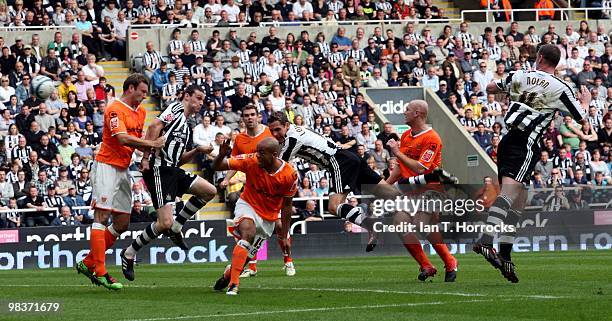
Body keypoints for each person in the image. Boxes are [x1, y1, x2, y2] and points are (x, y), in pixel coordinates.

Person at [474, 44, 591, 283]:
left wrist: (515, 93)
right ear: (556, 63)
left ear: (539, 58)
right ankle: (485, 241)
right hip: (526, 141)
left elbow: (489, 87)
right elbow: (582, 118)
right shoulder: (561, 87)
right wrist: (587, 101)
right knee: (509, 195)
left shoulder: (520, 75)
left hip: (507, 140)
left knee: (519, 201)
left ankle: (505, 255)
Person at [267, 112, 456, 251]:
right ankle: (429, 188)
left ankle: (370, 224)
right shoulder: (294, 132)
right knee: (389, 192)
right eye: (272, 131)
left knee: (334, 207)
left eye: (278, 129)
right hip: (350, 158)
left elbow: (277, 164)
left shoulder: (291, 138)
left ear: (287, 125)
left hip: (338, 161)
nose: (275, 134)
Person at [75, 74, 165, 291]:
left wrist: (149, 151)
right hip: (106, 166)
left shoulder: (141, 112)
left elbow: (136, 143)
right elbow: (122, 138)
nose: (145, 96)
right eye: (142, 91)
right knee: (102, 216)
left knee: (122, 223)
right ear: (131, 88)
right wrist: (151, 143)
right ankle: (101, 272)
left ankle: (88, 262)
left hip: (124, 168)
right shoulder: (114, 108)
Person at [121, 85, 217, 281]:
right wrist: (146, 158)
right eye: (197, 98)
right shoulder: (175, 109)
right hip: (158, 169)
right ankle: (129, 252)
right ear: (187, 95)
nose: (200, 103)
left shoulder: (187, 126)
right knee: (164, 223)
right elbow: (154, 127)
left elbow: (179, 160)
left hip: (173, 170)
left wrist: (197, 150)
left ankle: (177, 227)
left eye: (202, 100)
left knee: (209, 191)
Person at [212, 137, 298, 295]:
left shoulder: (289, 175)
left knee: (246, 257)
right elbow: (216, 166)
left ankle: (228, 275)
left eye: (261, 153)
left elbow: (287, 206)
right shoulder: (250, 160)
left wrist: (285, 235)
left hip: (269, 217)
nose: (257, 155)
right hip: (248, 205)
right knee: (248, 232)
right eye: (257, 152)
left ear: (273, 155)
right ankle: (233, 284)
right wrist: (221, 155)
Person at [219, 104, 296, 278]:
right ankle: (251, 266)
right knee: (249, 228)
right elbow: (235, 161)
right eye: (246, 115)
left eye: (253, 114)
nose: (250, 117)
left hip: (274, 186)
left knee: (278, 225)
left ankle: (288, 260)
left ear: (258, 117)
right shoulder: (239, 139)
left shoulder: (270, 133)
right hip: (254, 186)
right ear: (243, 119)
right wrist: (227, 178)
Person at [385, 100, 458, 282]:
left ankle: (450, 261)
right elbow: (400, 167)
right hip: (412, 191)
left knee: (421, 224)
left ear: (417, 113)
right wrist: (385, 185)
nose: (404, 112)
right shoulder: (406, 136)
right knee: (399, 222)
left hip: (432, 189)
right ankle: (427, 265)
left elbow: (420, 168)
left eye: (407, 109)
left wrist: (396, 152)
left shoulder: (432, 138)